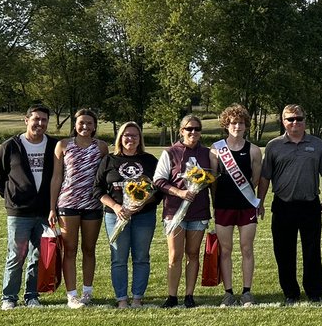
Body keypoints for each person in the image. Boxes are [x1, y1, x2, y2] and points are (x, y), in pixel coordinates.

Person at [257, 104, 322, 305]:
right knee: (283, 252)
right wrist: (260, 202)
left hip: (310, 204)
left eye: (298, 119)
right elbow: (265, 177)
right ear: (283, 121)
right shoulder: (273, 145)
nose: (295, 123)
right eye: (290, 119)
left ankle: (314, 290)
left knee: (312, 250)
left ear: (305, 121)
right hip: (283, 206)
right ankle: (290, 291)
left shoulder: (317, 144)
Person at [0, 104, 59, 309]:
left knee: (39, 256)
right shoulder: (11, 146)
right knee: (16, 255)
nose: (40, 123)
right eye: (36, 119)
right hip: (19, 212)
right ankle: (9, 297)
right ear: (26, 120)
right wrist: (12, 198)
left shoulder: (54, 146)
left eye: (44, 120)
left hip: (45, 211)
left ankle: (32, 295)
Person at [95, 122, 161, 308]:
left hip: (144, 216)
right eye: (126, 135)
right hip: (115, 215)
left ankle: (137, 298)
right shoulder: (109, 160)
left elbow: (157, 190)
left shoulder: (149, 160)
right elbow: (97, 189)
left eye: (134, 135)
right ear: (120, 138)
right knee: (119, 258)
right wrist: (116, 207)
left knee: (141, 257)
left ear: (140, 139)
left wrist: (140, 205)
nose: (130, 139)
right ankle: (122, 299)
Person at [48, 108, 109, 309]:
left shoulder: (101, 147)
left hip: (93, 204)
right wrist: (52, 207)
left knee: (89, 249)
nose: (85, 127)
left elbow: (104, 177)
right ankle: (72, 295)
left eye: (89, 123)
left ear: (94, 126)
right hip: (68, 204)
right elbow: (57, 177)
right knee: (70, 250)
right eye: (81, 123)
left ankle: (87, 292)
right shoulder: (63, 145)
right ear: (75, 125)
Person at [154, 115, 213, 308]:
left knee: (193, 254)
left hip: (199, 211)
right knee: (174, 255)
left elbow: (213, 180)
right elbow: (159, 180)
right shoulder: (170, 152)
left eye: (197, 129)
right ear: (181, 131)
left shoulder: (208, 153)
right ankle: (172, 296)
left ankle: (189, 295)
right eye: (189, 129)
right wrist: (179, 192)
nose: (193, 132)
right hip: (174, 212)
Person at [211, 104, 263, 307]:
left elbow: (256, 180)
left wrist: (258, 202)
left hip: (246, 206)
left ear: (246, 125)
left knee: (246, 248)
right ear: (226, 124)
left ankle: (247, 292)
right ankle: (228, 293)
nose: (237, 126)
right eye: (233, 123)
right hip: (223, 206)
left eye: (241, 123)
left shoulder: (254, 150)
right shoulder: (216, 149)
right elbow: (212, 181)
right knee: (225, 250)